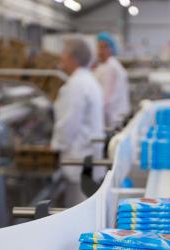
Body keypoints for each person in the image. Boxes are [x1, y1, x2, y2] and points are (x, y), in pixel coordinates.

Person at [51, 37, 105, 203]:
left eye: (64, 54)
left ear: (73, 58)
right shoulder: (88, 80)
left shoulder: (76, 85)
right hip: (88, 155)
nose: (61, 58)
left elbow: (69, 123)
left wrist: (55, 146)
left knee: (78, 208)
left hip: (80, 157)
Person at [93, 32, 130, 129]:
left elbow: (106, 98)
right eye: (99, 47)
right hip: (111, 116)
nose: (100, 51)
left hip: (113, 118)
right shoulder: (104, 66)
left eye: (104, 47)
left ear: (111, 48)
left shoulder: (111, 67)